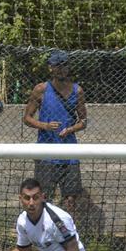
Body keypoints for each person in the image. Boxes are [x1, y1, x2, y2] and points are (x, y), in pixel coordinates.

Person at [23, 50, 88, 208]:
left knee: (71, 200)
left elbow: (83, 121)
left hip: (69, 152)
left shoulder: (77, 91)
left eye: (64, 65)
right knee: (44, 199)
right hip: (46, 152)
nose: (61, 69)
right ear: (51, 68)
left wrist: (70, 129)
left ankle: (67, 232)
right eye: (57, 66)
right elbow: (27, 118)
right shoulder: (41, 89)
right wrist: (45, 125)